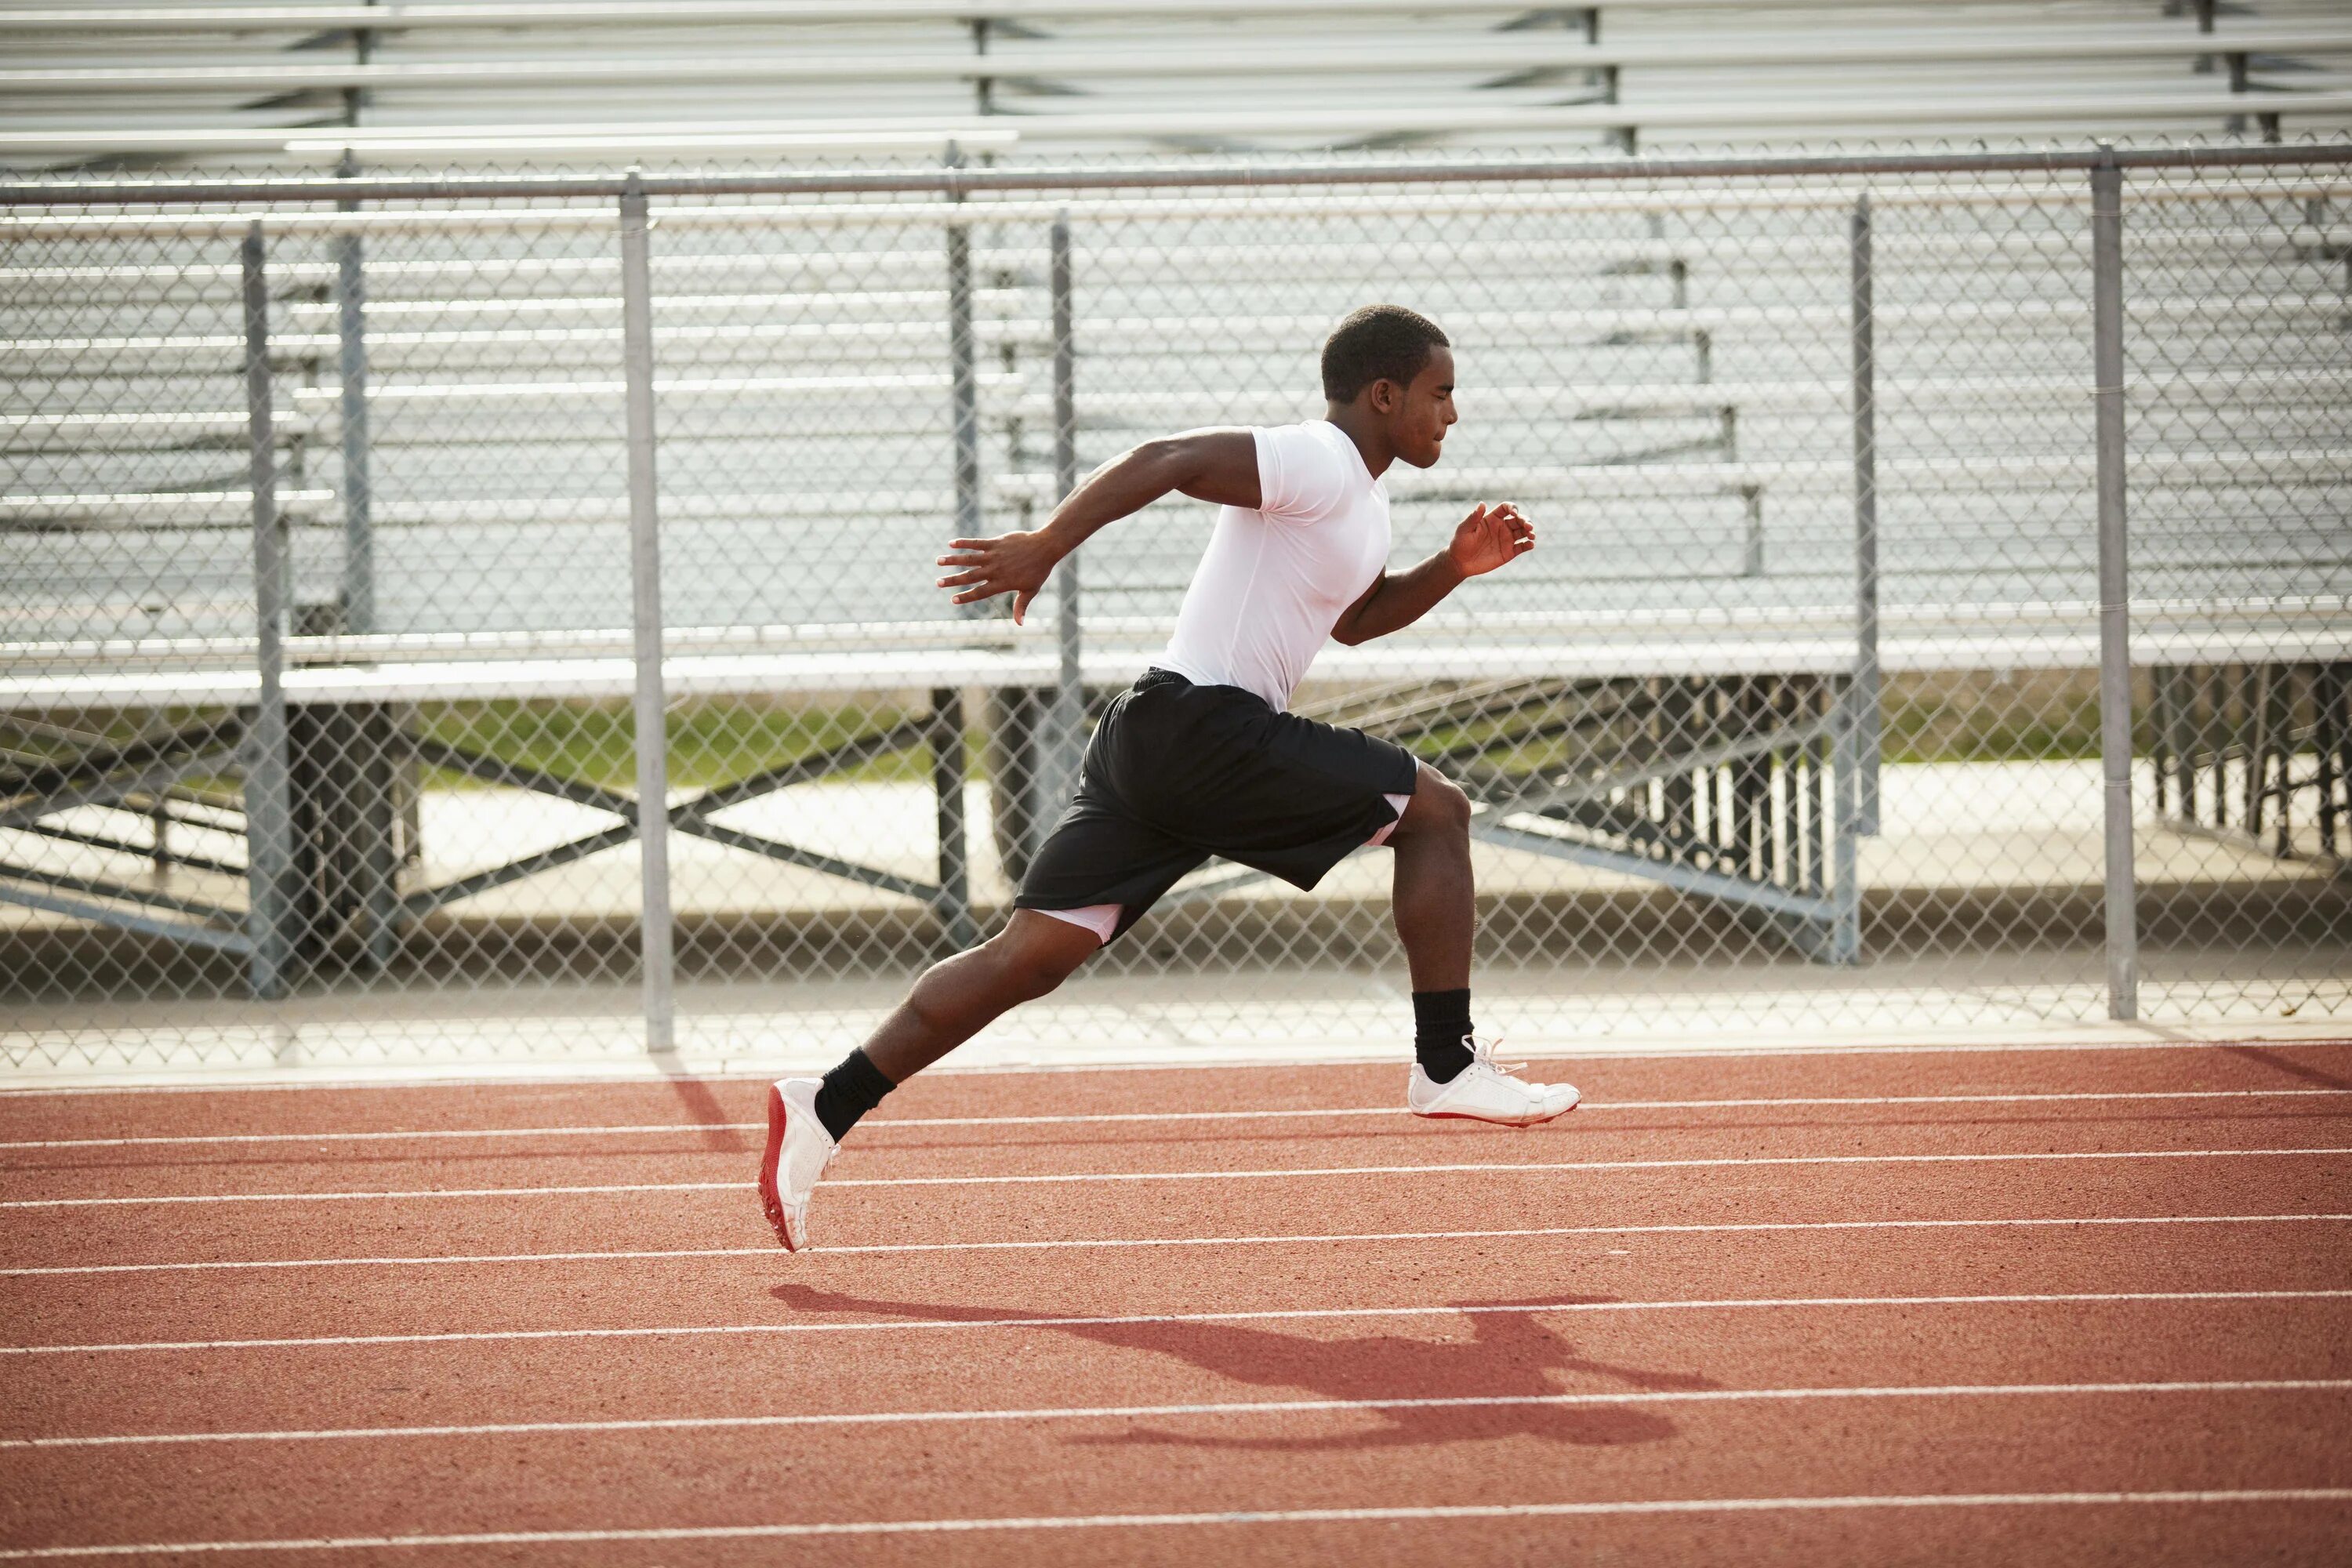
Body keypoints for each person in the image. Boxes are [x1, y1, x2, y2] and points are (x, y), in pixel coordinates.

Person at [759, 303, 1579, 1251]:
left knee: (1029, 956)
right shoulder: (1317, 457)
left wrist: (1453, 566)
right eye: (1440, 394)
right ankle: (1446, 1063)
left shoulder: (1362, 499)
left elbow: (1355, 619)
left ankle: (825, 1101)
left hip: (1158, 737)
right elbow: (1170, 457)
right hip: (1205, 728)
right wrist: (1046, 545)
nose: (1453, 414)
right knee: (1437, 812)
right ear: (1383, 395)